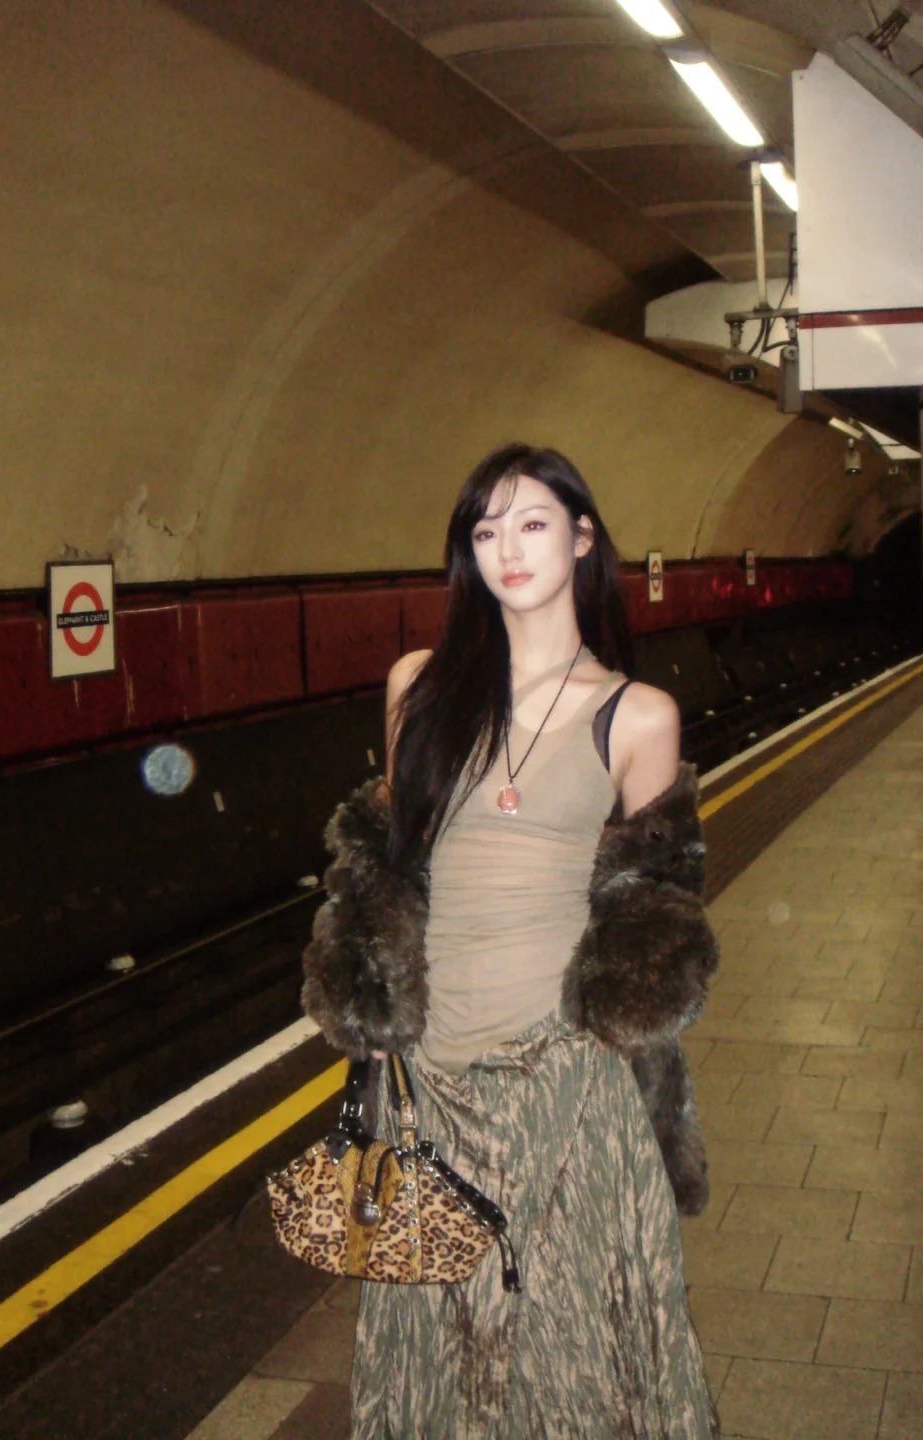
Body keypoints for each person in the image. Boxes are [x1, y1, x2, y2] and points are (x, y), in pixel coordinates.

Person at [301, 444, 720, 1438]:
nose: (509, 550)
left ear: (581, 539)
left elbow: (654, 911)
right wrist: (372, 1003)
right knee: (443, 1352)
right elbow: (391, 866)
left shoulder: (636, 716)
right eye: (486, 531)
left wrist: (619, 1021)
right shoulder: (419, 688)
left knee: (571, 1352)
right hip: (433, 1081)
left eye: (533, 524)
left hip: (567, 1080)